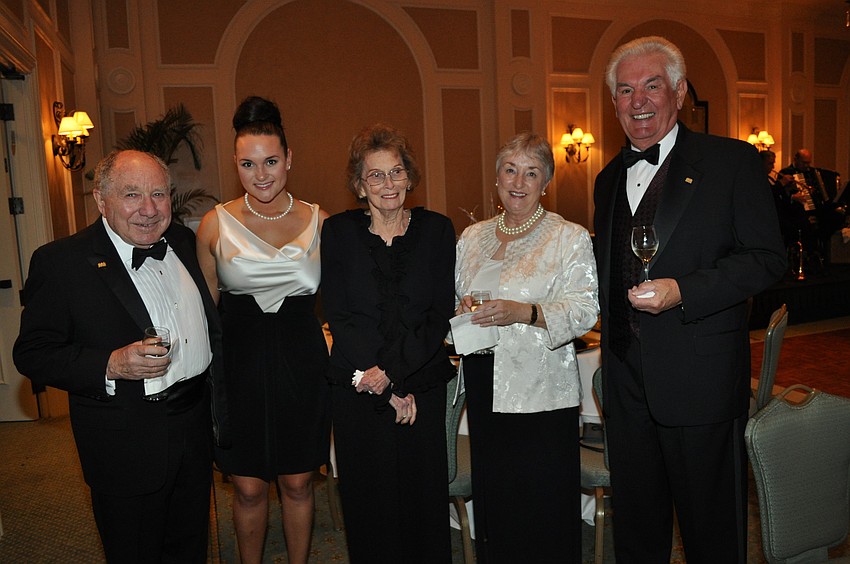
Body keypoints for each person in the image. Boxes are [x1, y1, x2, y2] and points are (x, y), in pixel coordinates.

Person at [593, 36, 786, 563]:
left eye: (651, 85)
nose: (638, 101)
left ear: (679, 92)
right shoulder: (607, 179)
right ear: (613, 103)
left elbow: (768, 257)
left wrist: (686, 291)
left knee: (712, 532)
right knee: (637, 529)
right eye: (625, 90)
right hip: (627, 383)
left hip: (700, 380)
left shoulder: (730, 161)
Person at [13, 149, 229, 563]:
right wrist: (109, 364)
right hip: (126, 440)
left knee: (190, 546)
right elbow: (33, 353)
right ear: (101, 200)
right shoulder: (61, 263)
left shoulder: (183, 241)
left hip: (194, 427)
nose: (149, 210)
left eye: (159, 194)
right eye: (132, 195)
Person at [196, 96, 330, 564]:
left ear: (289, 159)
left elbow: (346, 305)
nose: (262, 174)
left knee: (297, 481)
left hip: (302, 363)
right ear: (236, 164)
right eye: (249, 164)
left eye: (271, 161)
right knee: (249, 487)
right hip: (239, 364)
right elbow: (204, 315)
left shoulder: (321, 222)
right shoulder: (214, 224)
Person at [454, 131, 599, 563]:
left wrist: (525, 312)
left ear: (546, 182)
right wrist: (461, 307)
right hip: (484, 383)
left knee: (542, 504)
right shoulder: (471, 237)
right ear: (497, 177)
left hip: (541, 388)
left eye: (531, 172)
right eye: (510, 170)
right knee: (496, 500)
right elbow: (454, 303)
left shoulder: (567, 237)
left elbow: (585, 309)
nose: (519, 181)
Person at [320, 123, 456, 563]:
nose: (387, 184)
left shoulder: (437, 230)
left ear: (410, 177)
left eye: (395, 172)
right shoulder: (338, 232)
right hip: (361, 391)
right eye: (375, 175)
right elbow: (339, 315)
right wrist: (382, 383)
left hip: (422, 386)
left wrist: (396, 376)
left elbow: (438, 314)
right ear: (360, 184)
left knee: (422, 502)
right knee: (369, 505)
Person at [780, 148, 846, 260]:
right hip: (798, 210)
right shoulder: (786, 173)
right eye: (804, 162)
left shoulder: (813, 172)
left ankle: (822, 248)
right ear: (796, 159)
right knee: (807, 224)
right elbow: (782, 197)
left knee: (837, 217)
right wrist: (793, 197)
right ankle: (811, 251)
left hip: (817, 208)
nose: (807, 166)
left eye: (808, 163)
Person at [760, 149, 810, 248]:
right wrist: (782, 183)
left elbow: (781, 197)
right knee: (797, 225)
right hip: (771, 218)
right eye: (770, 164)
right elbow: (769, 194)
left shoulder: (770, 178)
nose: (773, 167)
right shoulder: (758, 179)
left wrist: (788, 191)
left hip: (781, 214)